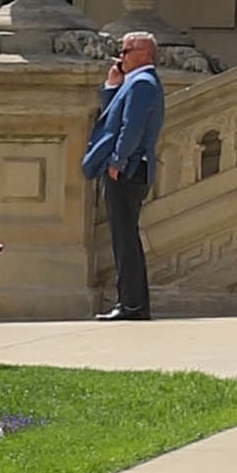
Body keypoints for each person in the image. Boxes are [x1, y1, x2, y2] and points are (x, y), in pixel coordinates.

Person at [82, 30, 165, 322]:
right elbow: (113, 116)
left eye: (126, 51)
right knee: (124, 238)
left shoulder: (142, 83)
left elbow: (132, 128)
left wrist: (117, 161)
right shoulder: (134, 83)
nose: (120, 57)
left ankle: (131, 305)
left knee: (125, 239)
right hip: (128, 168)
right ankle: (133, 304)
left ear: (144, 54)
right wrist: (111, 86)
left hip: (128, 170)